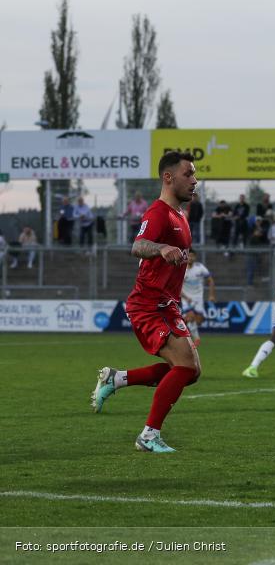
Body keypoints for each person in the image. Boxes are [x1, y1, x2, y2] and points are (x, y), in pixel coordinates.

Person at [89, 151, 200, 453]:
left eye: (194, 174)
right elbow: (138, 246)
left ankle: (117, 378)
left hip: (167, 304)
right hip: (150, 304)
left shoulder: (180, 216)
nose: (194, 180)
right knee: (187, 367)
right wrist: (162, 247)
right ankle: (148, 435)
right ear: (168, 177)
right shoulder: (158, 213)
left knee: (190, 371)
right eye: (188, 174)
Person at [181, 249, 215, 345]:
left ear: (195, 257)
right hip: (186, 298)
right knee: (190, 316)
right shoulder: (182, 269)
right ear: (186, 257)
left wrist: (212, 295)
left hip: (198, 298)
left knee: (199, 320)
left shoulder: (200, 268)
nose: (190, 258)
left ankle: (184, 329)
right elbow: (177, 287)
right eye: (189, 256)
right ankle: (196, 339)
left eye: (192, 256)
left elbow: (210, 281)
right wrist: (185, 297)